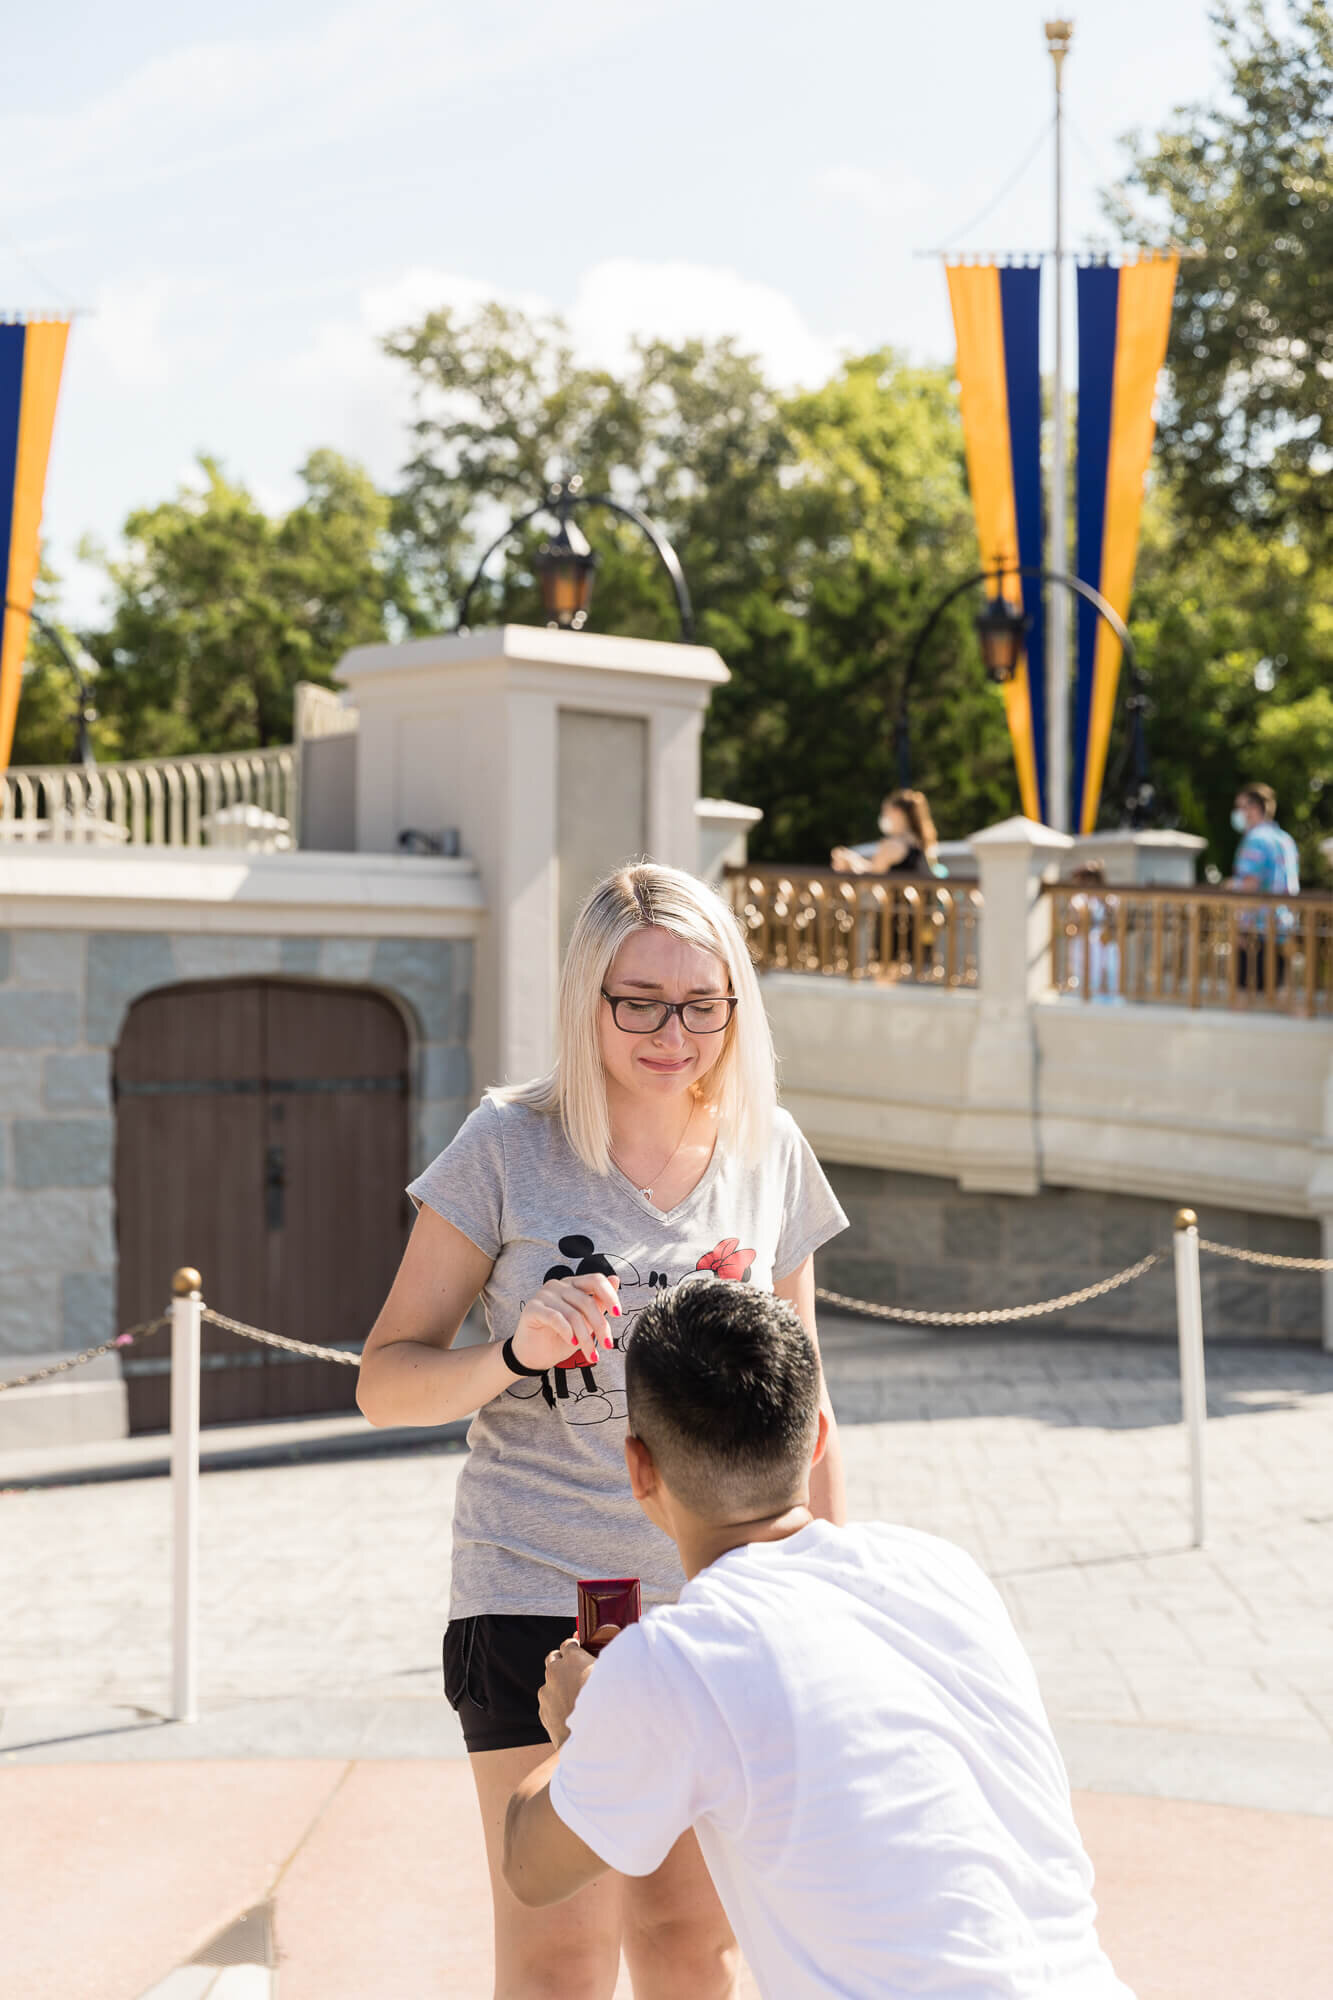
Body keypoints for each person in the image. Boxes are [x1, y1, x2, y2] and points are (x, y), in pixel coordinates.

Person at [356, 862, 849, 2000]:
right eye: (637, 999)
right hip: (535, 1592)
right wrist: (511, 1353)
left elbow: (807, 1405)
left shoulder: (768, 1147)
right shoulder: (506, 1144)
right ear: (587, 997)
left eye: (700, 1000)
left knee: (693, 1944)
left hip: (716, 1603)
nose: (671, 1030)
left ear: (735, 1001)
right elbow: (384, 1381)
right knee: (558, 1957)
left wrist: (833, 1586)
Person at [504, 1284, 1135, 2000]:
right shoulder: (942, 1571)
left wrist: (580, 1730)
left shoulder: (677, 1660)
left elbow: (532, 1869)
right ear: (816, 1438)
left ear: (638, 1469)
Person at [1228, 782, 1299, 998]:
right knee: (1272, 997)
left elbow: (1251, 884)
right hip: (1282, 927)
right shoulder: (1285, 839)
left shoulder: (1255, 840)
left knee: (1249, 1000)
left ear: (1254, 809)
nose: (1237, 813)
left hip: (1255, 931)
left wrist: (1230, 886)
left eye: (1240, 807)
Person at [830, 785, 939, 879]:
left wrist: (850, 863)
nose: (883, 816)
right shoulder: (919, 841)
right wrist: (854, 859)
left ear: (897, 812)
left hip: (898, 903)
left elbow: (872, 877)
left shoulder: (892, 845)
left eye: (885, 811)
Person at [1066, 859, 1121, 1001]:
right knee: (1084, 976)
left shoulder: (1108, 899)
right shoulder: (1079, 899)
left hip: (1104, 942)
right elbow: (1074, 923)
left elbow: (1113, 922)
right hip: (1085, 943)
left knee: (1107, 974)